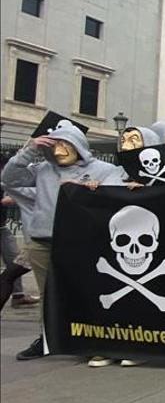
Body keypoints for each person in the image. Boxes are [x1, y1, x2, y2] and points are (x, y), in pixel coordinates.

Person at [1, 125, 124, 361]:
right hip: (42, 241)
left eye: (66, 144)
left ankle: (94, 341)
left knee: (86, 291)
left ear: (79, 145)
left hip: (82, 242)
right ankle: (47, 338)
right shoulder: (42, 169)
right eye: (55, 145)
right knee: (48, 293)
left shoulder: (105, 169)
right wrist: (29, 149)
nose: (59, 151)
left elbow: (116, 198)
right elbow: (9, 178)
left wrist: (96, 191)